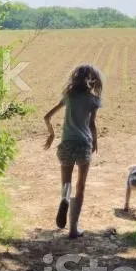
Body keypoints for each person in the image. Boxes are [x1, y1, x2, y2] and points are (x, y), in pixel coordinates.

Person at [43, 63, 102, 238]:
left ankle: (64, 199)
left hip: (66, 144)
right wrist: (96, 141)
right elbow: (91, 124)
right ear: (92, 80)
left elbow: (47, 117)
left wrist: (52, 135)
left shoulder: (68, 96)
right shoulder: (93, 100)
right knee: (80, 186)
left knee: (66, 184)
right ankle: (74, 229)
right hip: (84, 144)